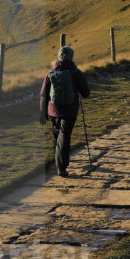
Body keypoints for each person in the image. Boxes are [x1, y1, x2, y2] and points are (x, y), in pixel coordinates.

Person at [40, 46, 91, 177]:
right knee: (64, 137)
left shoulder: (51, 71)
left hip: (53, 109)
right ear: (71, 56)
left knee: (56, 135)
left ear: (59, 56)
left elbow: (43, 94)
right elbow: (85, 93)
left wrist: (42, 112)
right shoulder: (74, 71)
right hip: (69, 110)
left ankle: (57, 164)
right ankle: (61, 167)